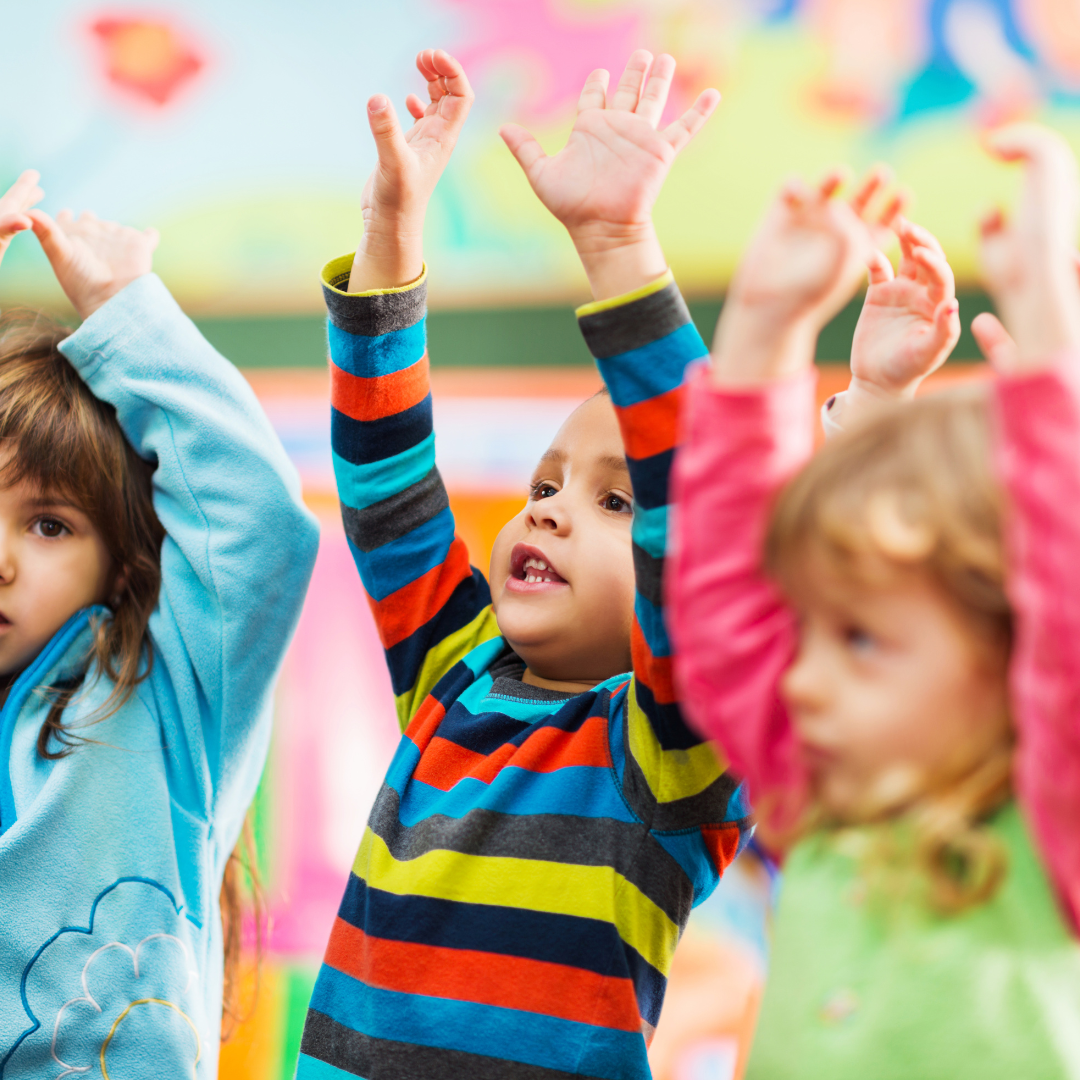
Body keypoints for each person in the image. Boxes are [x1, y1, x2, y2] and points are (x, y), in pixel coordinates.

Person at [296, 47, 751, 1080]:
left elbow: (702, 524)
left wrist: (616, 243)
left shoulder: (668, 763)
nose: (546, 516)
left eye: (610, 502)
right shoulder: (453, 672)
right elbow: (386, 485)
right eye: (545, 488)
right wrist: (392, 230)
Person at [668, 125, 1080, 1078]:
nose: (798, 678)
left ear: (1004, 647)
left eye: (859, 640)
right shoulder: (824, 801)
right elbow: (730, 606)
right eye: (806, 630)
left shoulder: (1053, 826)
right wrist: (763, 334)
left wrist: (1051, 336)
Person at [0, 193, 318, 1077]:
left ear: (119, 568)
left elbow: (255, 521)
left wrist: (125, 311)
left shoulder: (159, 694)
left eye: (50, 525)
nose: (2, 559)